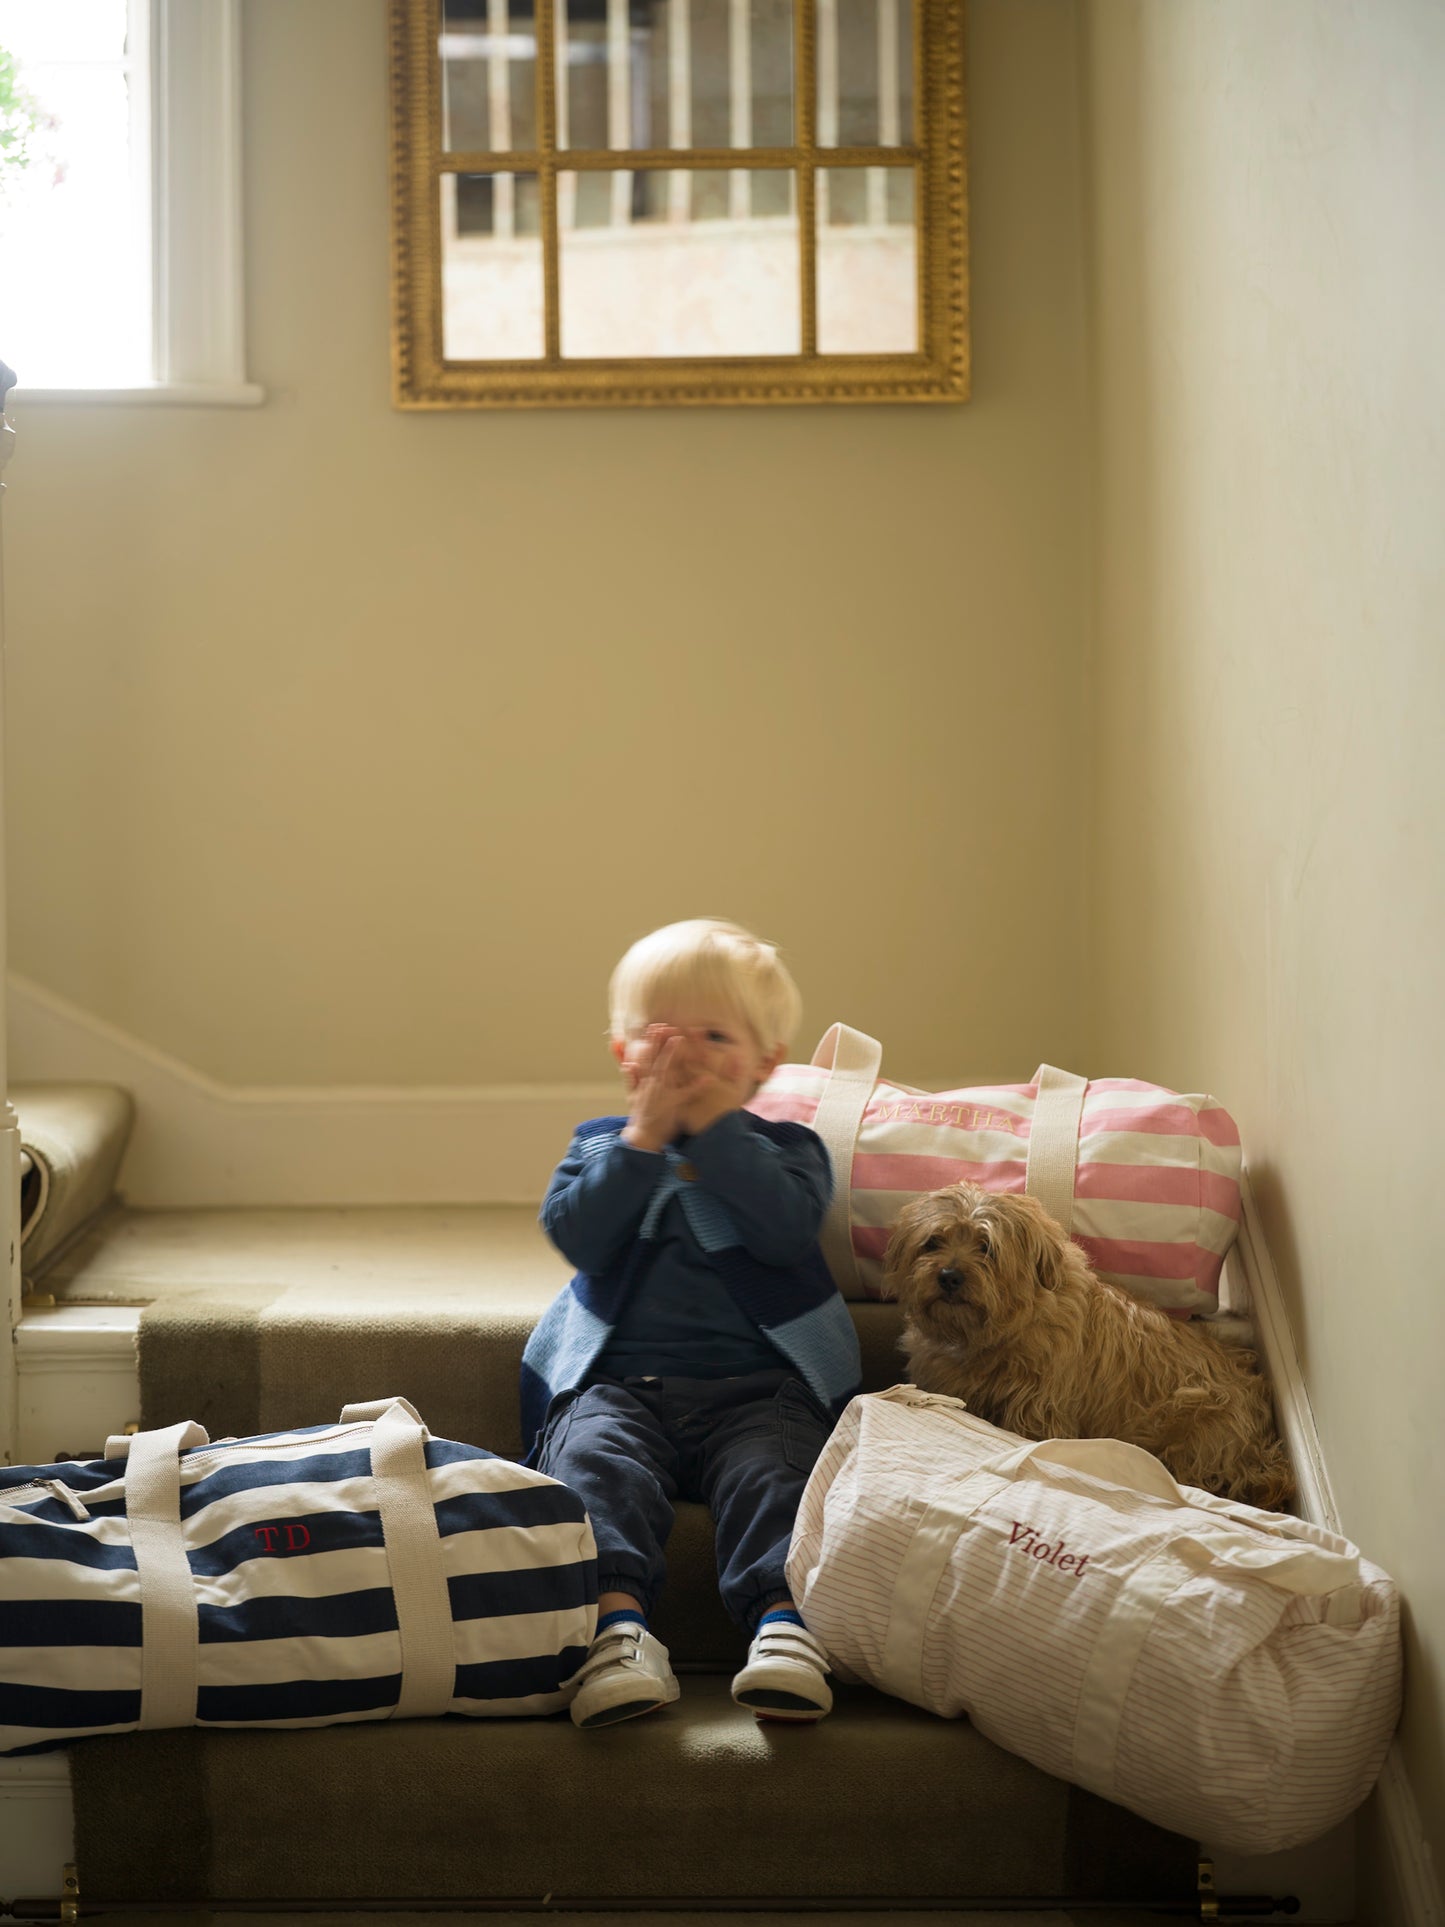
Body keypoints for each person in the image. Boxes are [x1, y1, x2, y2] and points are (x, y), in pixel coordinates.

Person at [521, 918, 861, 1729]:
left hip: (757, 1388)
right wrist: (642, 1139)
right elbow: (577, 1236)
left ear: (763, 1064)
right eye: (663, 1037)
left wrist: (713, 1134)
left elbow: (781, 1232)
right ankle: (615, 1631)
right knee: (590, 1465)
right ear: (622, 1054)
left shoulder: (789, 1151)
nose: (689, 1057)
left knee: (778, 1474)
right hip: (619, 1387)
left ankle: (785, 1626)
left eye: (715, 1037)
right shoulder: (600, 1146)